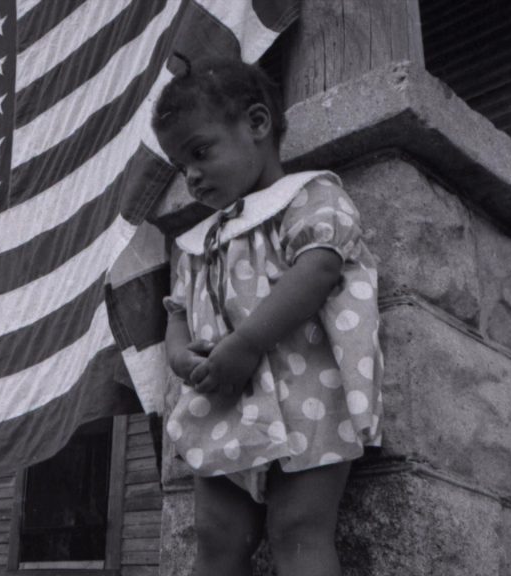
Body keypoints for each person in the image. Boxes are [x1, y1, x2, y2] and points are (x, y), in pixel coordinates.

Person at [152, 56, 383, 576]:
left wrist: (249, 342)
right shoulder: (199, 242)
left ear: (257, 124)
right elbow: (177, 311)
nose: (190, 174)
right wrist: (180, 354)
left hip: (307, 397)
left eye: (200, 151)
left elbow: (320, 266)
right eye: (179, 164)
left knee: (298, 528)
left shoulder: (309, 197)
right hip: (222, 407)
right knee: (215, 536)